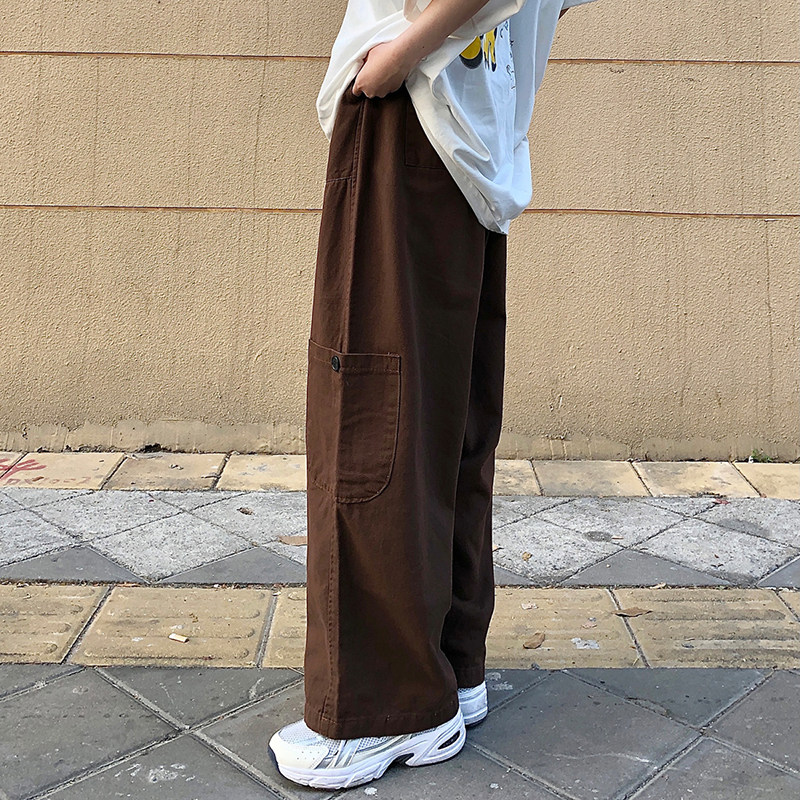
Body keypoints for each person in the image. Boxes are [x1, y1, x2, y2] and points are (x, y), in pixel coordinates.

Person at [268, 0, 599, 789]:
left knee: (370, 415)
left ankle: (386, 710)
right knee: (447, 416)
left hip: (415, 104)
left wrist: (399, 55)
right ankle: (451, 668)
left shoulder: (407, 75)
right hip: (477, 135)